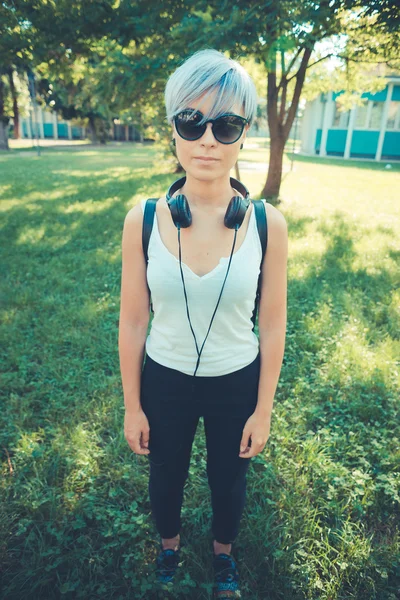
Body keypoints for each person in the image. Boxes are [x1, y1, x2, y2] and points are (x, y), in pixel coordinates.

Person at [119, 48, 288, 598]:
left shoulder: (268, 225)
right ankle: (168, 547)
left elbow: (273, 325)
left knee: (228, 479)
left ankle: (223, 557)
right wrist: (132, 404)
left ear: (244, 133)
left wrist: (262, 409)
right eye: (191, 121)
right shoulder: (142, 219)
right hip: (163, 379)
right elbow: (133, 321)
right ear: (174, 132)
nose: (208, 139)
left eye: (226, 123)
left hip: (235, 379)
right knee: (164, 475)